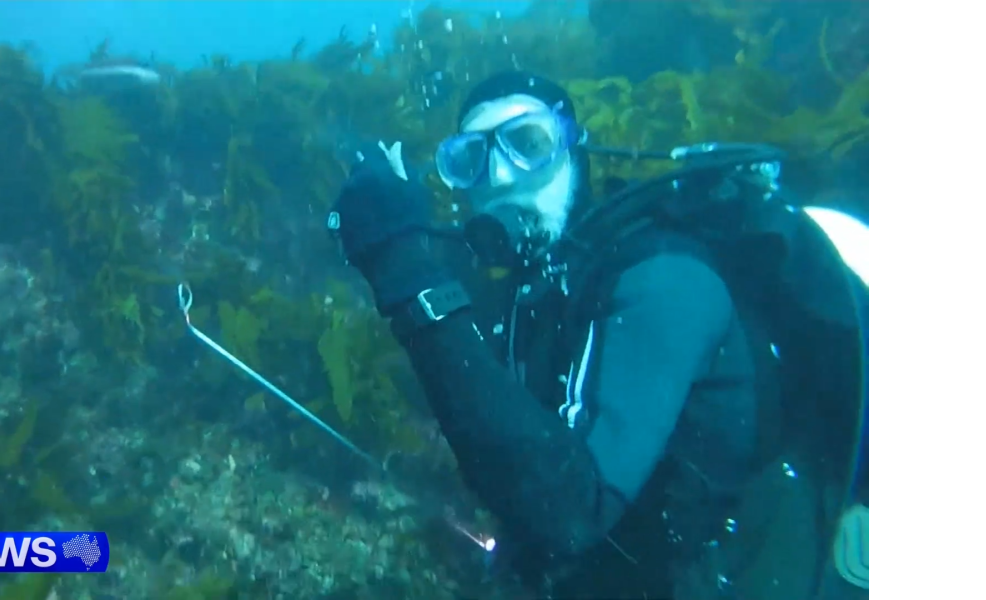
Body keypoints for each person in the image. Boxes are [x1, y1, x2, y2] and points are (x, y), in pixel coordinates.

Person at [327, 71, 868, 599]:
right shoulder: (540, 289)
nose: (501, 176)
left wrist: (403, 269)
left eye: (527, 143)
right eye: (470, 160)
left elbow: (567, 511)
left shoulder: (664, 280)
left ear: (574, 149)